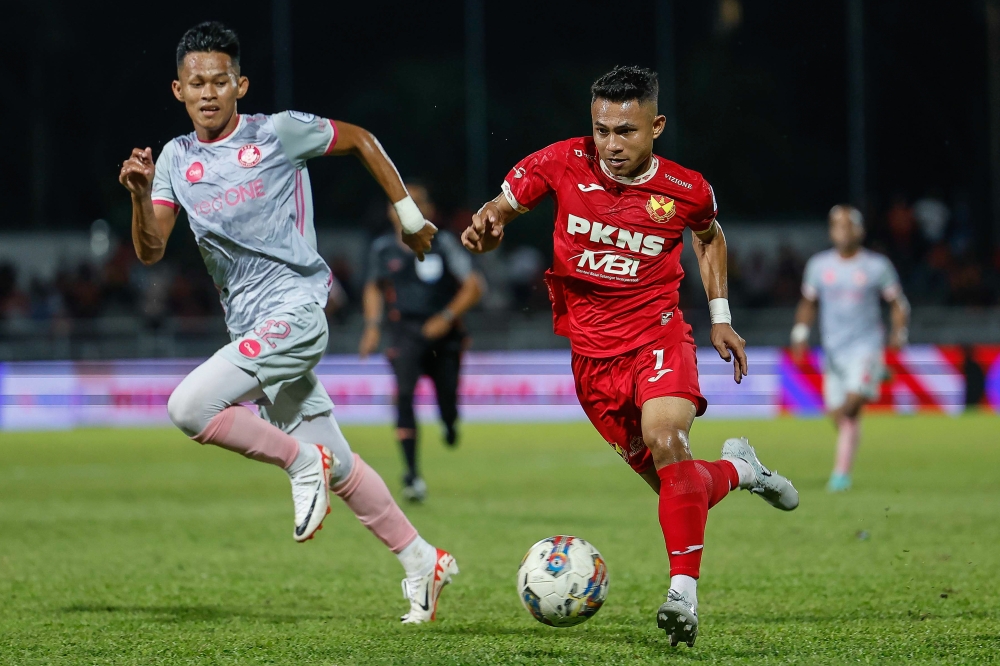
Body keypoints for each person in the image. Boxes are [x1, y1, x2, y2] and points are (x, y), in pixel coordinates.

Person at [117, 21, 456, 624]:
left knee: (189, 407)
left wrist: (407, 217)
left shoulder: (276, 133)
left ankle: (300, 463)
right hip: (249, 327)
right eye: (197, 83)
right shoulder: (173, 158)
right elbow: (150, 251)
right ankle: (421, 560)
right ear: (178, 90)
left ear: (240, 84)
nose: (209, 92)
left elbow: (362, 139)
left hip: (298, 308)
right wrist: (142, 196)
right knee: (342, 464)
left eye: (220, 80)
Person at [461, 65, 799, 647]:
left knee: (670, 443)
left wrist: (719, 317)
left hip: (658, 337)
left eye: (626, 131)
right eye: (602, 130)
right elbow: (503, 205)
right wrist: (489, 222)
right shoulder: (561, 161)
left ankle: (682, 595)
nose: (611, 145)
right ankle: (741, 469)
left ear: (656, 126)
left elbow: (709, 234)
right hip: (592, 362)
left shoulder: (686, 189)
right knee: (679, 486)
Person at [359, 182, 484, 502]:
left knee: (446, 400)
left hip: (445, 333)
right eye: (402, 204)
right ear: (392, 211)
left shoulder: (444, 244)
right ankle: (412, 475)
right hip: (404, 332)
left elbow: (473, 286)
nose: (408, 210)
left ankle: (449, 421)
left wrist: (445, 316)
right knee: (403, 395)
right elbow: (374, 287)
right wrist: (373, 326)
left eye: (416, 203)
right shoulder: (382, 248)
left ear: (428, 211)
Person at [792, 205, 910, 492]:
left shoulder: (876, 266)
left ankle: (840, 474)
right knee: (838, 414)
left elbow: (897, 303)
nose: (842, 231)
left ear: (860, 230)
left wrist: (900, 331)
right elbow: (808, 303)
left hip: (865, 346)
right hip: (833, 351)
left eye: (848, 226)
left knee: (852, 407)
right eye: (837, 226)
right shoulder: (819, 266)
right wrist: (800, 333)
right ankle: (843, 469)